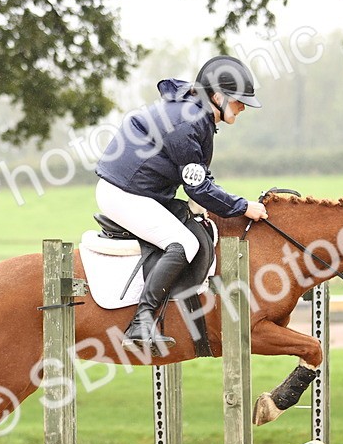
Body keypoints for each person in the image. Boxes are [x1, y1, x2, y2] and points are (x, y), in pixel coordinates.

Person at [95, 55, 268, 352]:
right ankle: (141, 321)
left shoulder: (193, 114)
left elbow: (199, 176)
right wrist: (242, 207)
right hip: (125, 194)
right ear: (217, 96)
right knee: (184, 244)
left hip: (141, 191)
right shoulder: (188, 122)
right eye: (239, 101)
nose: (243, 108)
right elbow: (198, 186)